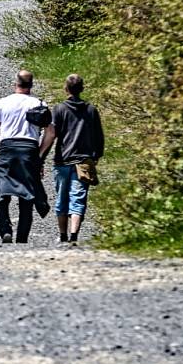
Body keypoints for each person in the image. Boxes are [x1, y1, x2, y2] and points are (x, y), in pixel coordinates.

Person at [0, 70, 48, 243]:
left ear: (15, 84)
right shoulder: (39, 103)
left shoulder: (3, 103)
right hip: (29, 150)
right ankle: (22, 238)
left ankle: (5, 229)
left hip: (8, 149)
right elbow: (51, 132)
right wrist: (40, 156)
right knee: (27, 194)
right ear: (31, 85)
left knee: (0, 191)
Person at [40, 74, 104, 245]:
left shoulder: (59, 109)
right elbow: (99, 136)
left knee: (61, 198)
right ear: (82, 89)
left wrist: (41, 157)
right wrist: (96, 155)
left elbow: (52, 134)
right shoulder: (91, 110)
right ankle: (74, 236)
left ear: (65, 89)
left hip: (62, 161)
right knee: (78, 198)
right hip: (83, 161)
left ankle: (62, 235)